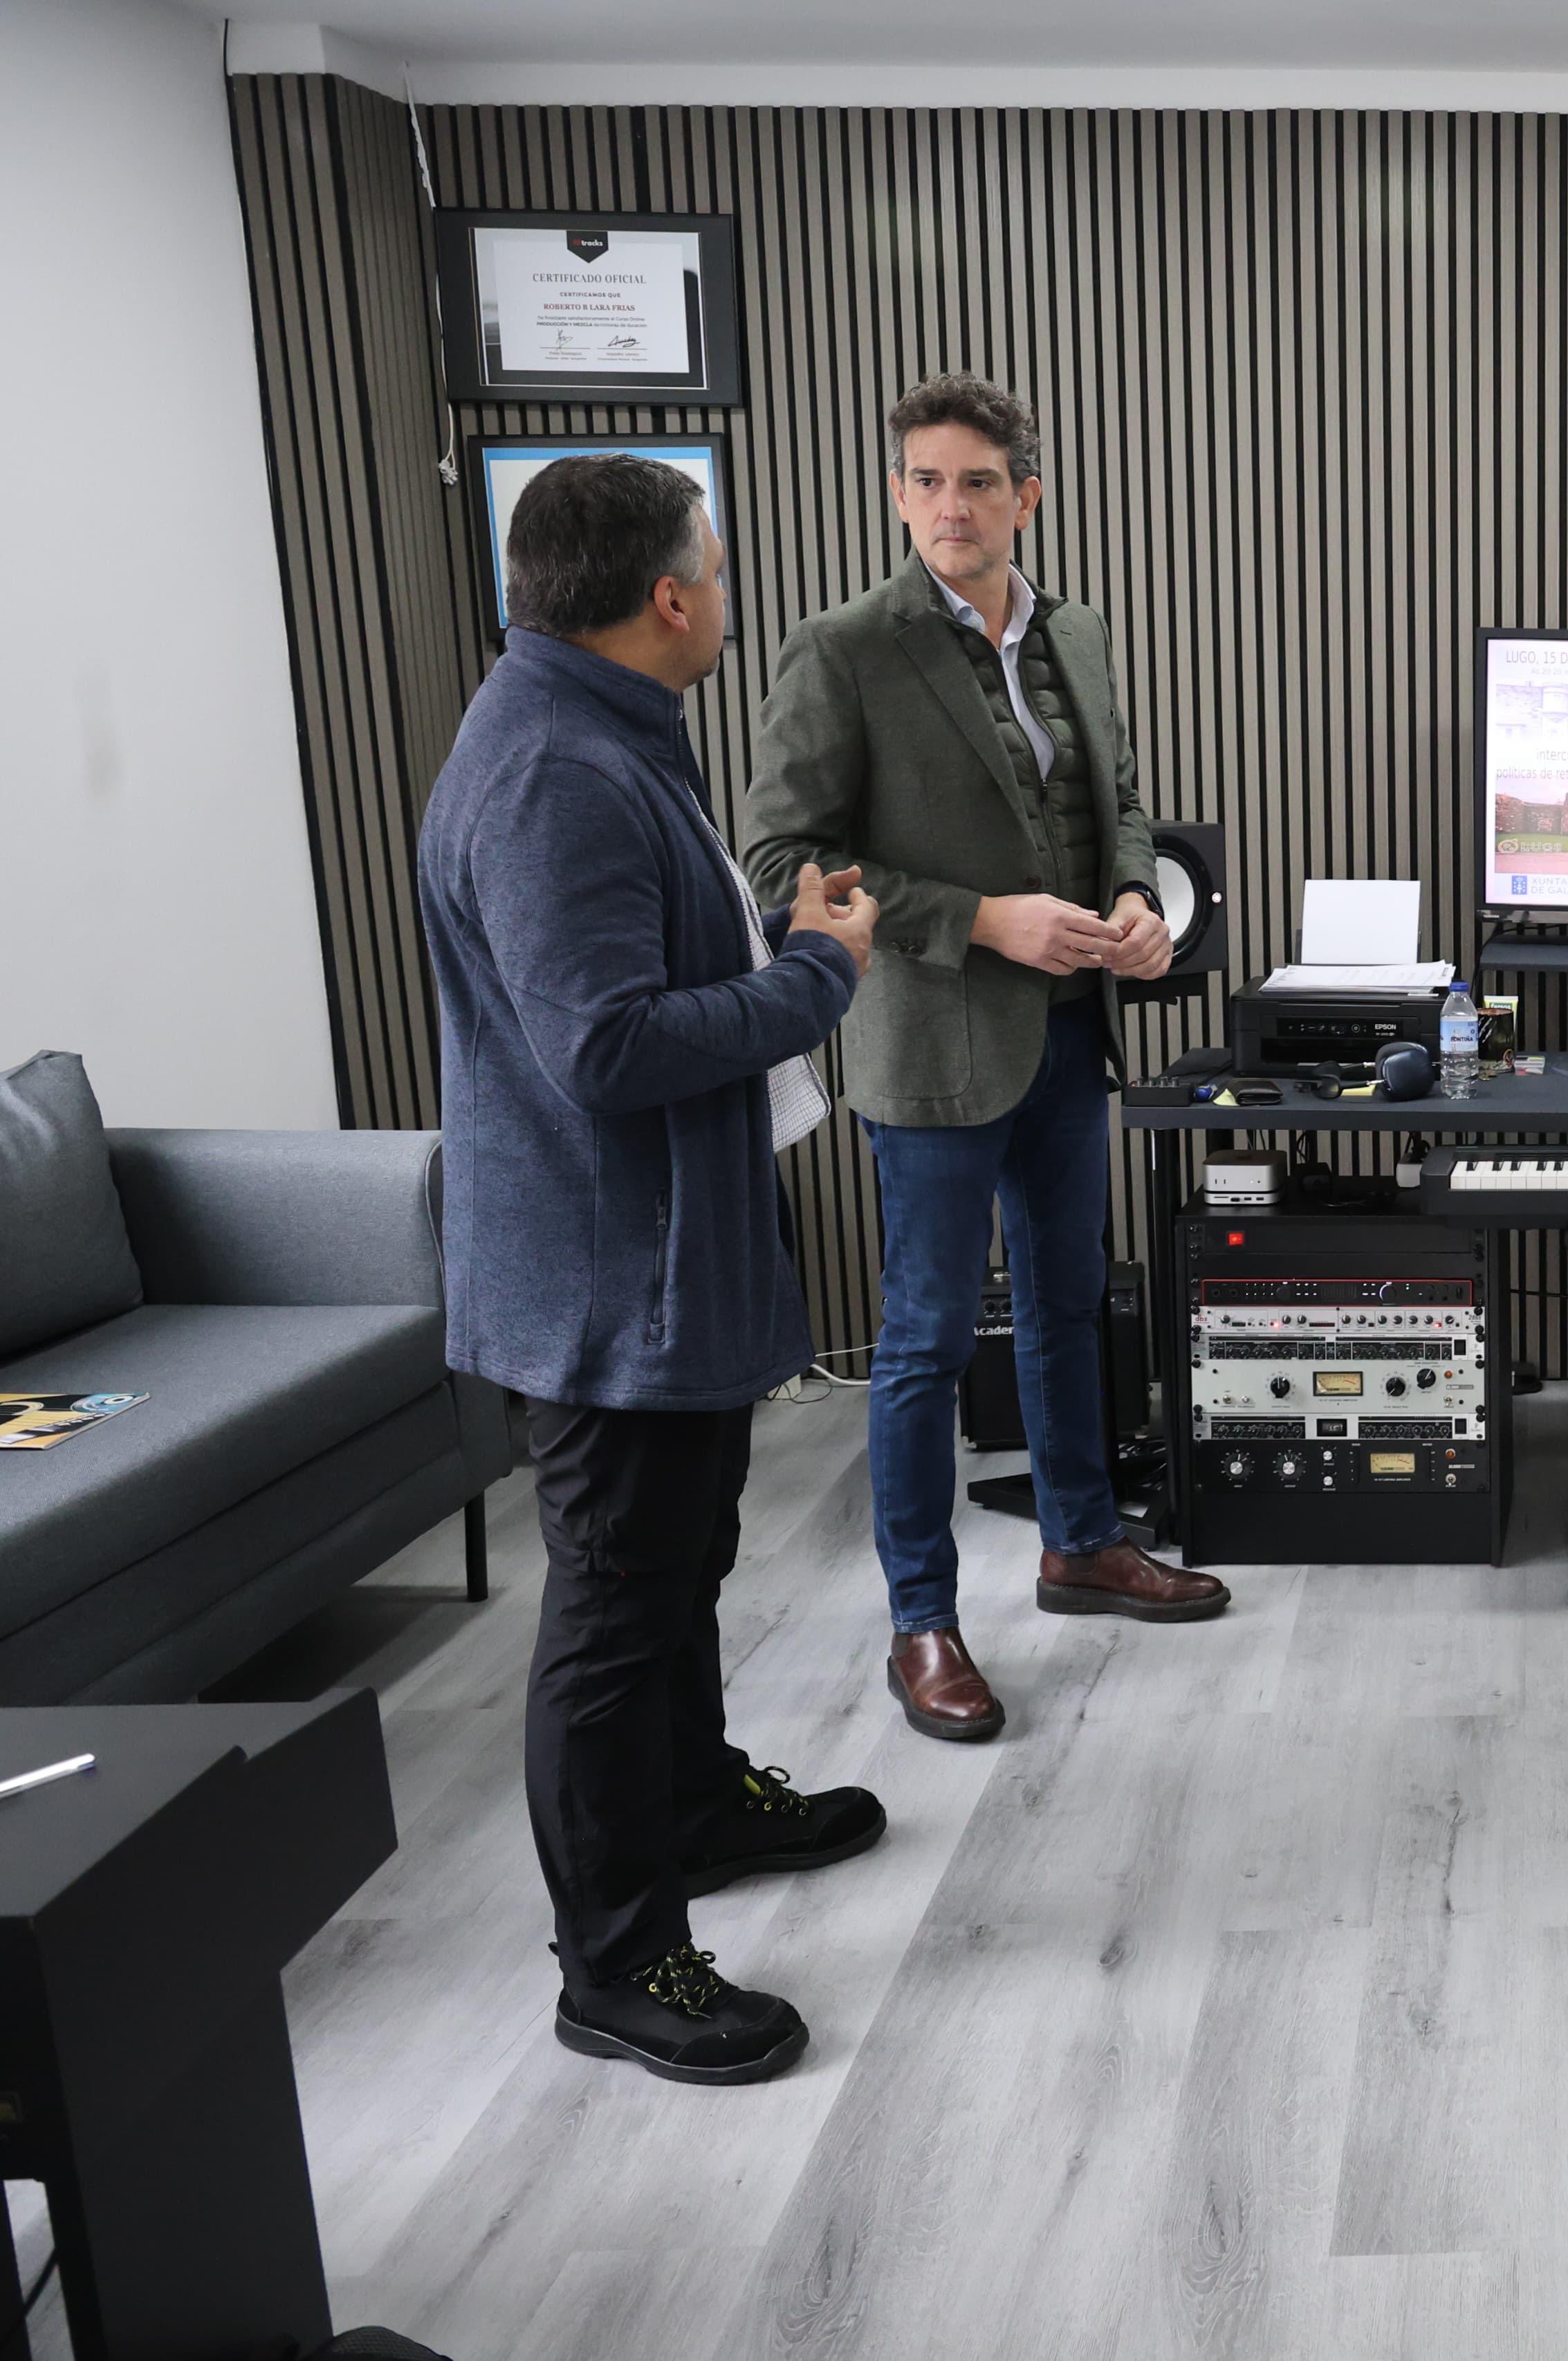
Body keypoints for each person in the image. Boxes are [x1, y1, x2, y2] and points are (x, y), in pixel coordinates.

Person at [418, 453, 886, 2086]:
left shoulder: (605, 728)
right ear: (670, 595)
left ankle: (695, 1805)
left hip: (658, 1261)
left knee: (680, 1564)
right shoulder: (554, 770)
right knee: (615, 1613)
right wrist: (819, 971)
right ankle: (617, 1965)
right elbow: (605, 1048)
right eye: (719, 567)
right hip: (608, 1282)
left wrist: (782, 945)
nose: (728, 593)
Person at [744, 373, 1222, 1747]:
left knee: (1070, 1304)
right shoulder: (843, 648)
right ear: (898, 494)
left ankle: (1083, 1542)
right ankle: (923, 1622)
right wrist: (982, 919)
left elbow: (1120, 801)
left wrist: (1134, 896)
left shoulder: (1076, 629)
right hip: (932, 1047)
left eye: (975, 481)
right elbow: (785, 864)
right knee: (927, 1340)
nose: (948, 506)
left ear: (1028, 494)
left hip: (1070, 1031)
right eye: (924, 480)